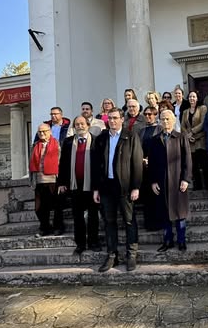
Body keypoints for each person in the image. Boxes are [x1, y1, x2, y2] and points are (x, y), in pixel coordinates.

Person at [92, 108, 143, 272]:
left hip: (125, 187)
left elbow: (137, 162)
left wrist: (136, 186)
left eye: (115, 118)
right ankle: (112, 255)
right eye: (110, 118)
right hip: (106, 187)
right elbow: (96, 165)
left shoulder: (130, 136)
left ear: (122, 119)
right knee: (109, 222)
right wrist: (96, 189)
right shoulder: (102, 138)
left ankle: (131, 255)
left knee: (129, 221)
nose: (112, 121)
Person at [149, 110, 192, 252]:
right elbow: (152, 163)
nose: (165, 122)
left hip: (177, 180)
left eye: (168, 119)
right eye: (162, 119)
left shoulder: (180, 137)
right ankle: (168, 241)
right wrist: (153, 181)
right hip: (162, 181)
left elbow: (187, 160)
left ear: (173, 120)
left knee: (180, 212)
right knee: (164, 212)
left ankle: (181, 240)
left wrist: (185, 179)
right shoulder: (155, 140)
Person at [57, 116, 100, 253]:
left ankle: (93, 242)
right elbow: (63, 163)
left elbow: (100, 164)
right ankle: (80, 244)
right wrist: (61, 183)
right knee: (77, 217)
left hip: (92, 185)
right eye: (77, 124)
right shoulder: (68, 142)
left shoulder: (96, 141)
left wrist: (98, 187)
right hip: (75, 185)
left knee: (93, 216)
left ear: (88, 125)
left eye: (82, 124)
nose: (80, 126)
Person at [29, 123, 63, 237]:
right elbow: (31, 163)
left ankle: (58, 227)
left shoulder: (57, 144)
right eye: (40, 132)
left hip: (53, 180)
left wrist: (62, 181)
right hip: (39, 180)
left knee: (57, 206)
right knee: (39, 208)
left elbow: (61, 162)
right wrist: (31, 181)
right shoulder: (35, 145)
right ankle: (44, 228)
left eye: (44, 131)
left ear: (50, 132)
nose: (42, 133)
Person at [181, 91, 208, 190]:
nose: (192, 98)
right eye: (190, 97)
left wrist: (192, 132)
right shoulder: (185, 111)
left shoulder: (202, 108)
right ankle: (198, 185)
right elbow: (182, 126)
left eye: (194, 97)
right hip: (190, 142)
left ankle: (207, 185)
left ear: (197, 98)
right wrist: (188, 136)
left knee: (204, 164)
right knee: (194, 166)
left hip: (200, 140)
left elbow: (203, 123)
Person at [139, 106, 162, 230]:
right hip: (144, 167)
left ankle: (159, 223)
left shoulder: (160, 128)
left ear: (155, 115)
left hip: (156, 166)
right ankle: (149, 223)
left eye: (150, 114)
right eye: (146, 114)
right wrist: (142, 159)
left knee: (157, 195)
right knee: (147, 196)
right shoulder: (141, 131)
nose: (147, 116)